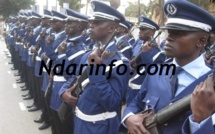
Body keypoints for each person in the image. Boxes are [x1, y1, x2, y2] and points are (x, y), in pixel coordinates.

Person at [121, 0, 215, 134]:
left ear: (201, 41)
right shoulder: (156, 71)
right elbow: (136, 103)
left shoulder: (211, 84)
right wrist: (129, 117)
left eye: (178, 33)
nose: (169, 38)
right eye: (169, 31)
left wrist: (201, 120)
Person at [61, 1, 130, 133]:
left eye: (97, 22)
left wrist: (95, 70)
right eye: (91, 22)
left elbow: (113, 103)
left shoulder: (120, 62)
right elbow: (75, 78)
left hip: (100, 126)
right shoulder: (89, 54)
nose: (90, 25)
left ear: (111, 28)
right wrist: (63, 92)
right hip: (80, 122)